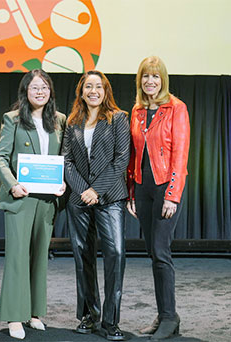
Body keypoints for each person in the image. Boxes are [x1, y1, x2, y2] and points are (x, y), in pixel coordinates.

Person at [0, 69, 66, 340]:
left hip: (47, 200)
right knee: (17, 257)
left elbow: (63, 159)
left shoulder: (60, 120)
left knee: (39, 258)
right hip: (21, 198)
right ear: (25, 91)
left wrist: (63, 183)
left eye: (44, 87)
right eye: (34, 87)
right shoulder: (12, 119)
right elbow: (0, 157)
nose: (40, 92)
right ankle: (14, 316)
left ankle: (35, 313)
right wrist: (12, 184)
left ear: (51, 92)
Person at [62, 70, 130, 341]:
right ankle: (89, 316)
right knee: (83, 257)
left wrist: (96, 190)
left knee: (115, 254)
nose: (93, 91)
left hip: (110, 198)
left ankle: (111, 321)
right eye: (88, 86)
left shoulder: (118, 119)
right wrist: (83, 190)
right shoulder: (72, 122)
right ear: (81, 91)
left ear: (105, 91)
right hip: (79, 200)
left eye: (98, 87)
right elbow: (66, 161)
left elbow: (121, 160)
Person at [127, 56, 190, 340]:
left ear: (163, 79)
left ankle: (169, 317)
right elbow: (134, 156)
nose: (150, 81)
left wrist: (172, 196)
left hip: (166, 188)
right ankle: (166, 312)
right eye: (145, 77)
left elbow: (180, 155)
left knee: (162, 253)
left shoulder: (176, 108)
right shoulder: (138, 110)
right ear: (140, 80)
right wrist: (131, 192)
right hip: (143, 190)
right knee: (153, 253)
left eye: (155, 76)